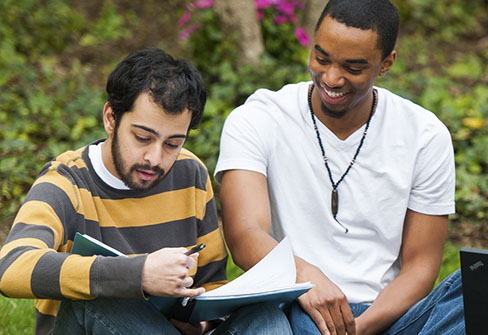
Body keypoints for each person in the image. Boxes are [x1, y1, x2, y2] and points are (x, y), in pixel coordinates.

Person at [0, 48, 290, 334]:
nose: (155, 158)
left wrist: (201, 323)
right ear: (111, 118)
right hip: (93, 322)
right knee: (104, 297)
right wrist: (138, 275)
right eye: (142, 137)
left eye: (172, 144)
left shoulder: (190, 173)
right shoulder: (66, 182)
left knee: (265, 317)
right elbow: (12, 267)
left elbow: (212, 286)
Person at [215, 0, 463, 334]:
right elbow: (245, 235)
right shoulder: (259, 119)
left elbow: (421, 265)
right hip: (296, 301)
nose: (331, 77)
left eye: (354, 67)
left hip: (384, 315)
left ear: (387, 63)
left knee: (476, 287)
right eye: (321, 58)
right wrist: (306, 276)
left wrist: (360, 328)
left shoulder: (424, 135)